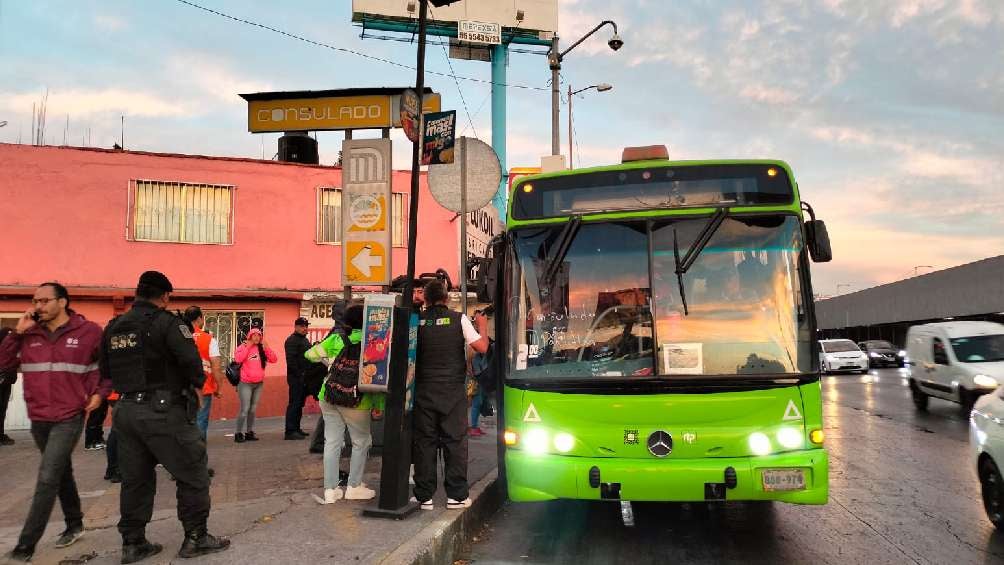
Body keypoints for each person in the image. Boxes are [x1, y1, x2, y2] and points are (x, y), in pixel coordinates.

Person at [101, 271, 229, 562]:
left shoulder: (115, 326)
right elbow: (191, 364)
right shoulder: (168, 323)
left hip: (125, 412)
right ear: (165, 296)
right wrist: (196, 387)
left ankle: (133, 543)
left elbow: (106, 371)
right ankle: (196, 537)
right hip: (163, 411)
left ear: (138, 293)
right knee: (193, 472)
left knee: (136, 479)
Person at [0, 282, 108, 562]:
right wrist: (17, 332)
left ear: (62, 302)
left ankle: (26, 545)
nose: (39, 306)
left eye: (45, 301)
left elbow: (108, 367)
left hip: (69, 416)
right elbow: (3, 363)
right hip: (39, 418)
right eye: (35, 301)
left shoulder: (89, 332)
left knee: (47, 477)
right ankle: (74, 524)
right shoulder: (29, 333)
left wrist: (99, 393)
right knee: (60, 471)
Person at [412, 280, 489, 510]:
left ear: (425, 299)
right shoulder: (459, 319)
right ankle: (456, 496)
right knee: (454, 442)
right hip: (452, 392)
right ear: (446, 298)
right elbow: (483, 347)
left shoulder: (417, 322)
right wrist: (482, 325)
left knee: (424, 443)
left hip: (423, 391)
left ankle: (423, 496)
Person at [304, 304, 381, 503]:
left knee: (332, 442)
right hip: (357, 400)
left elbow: (309, 354)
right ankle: (354, 486)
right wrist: (379, 405)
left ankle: (330, 490)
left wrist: (329, 362)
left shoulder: (337, 338)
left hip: (329, 395)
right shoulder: (372, 343)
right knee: (361, 442)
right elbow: (378, 376)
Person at [308, 299, 350, 454]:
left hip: (331, 377)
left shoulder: (336, 330)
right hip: (336, 378)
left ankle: (321, 442)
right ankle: (321, 442)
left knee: (329, 413)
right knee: (332, 414)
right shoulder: (341, 332)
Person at [182, 307, 223, 442]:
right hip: (203, 387)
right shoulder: (209, 339)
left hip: (180, 387)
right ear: (199, 318)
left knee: (181, 423)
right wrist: (219, 387)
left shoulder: (178, 336)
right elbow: (216, 367)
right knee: (200, 421)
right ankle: (197, 458)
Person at [233, 327, 277, 443]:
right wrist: (248, 346)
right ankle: (238, 433)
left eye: (259, 335)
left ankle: (249, 432)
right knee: (245, 409)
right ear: (250, 336)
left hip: (258, 384)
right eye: (254, 335)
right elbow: (238, 359)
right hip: (245, 383)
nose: (257, 337)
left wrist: (267, 347)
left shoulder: (262, 349)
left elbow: (274, 359)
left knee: (252, 410)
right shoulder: (243, 346)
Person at [284, 317, 312, 440]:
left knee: (299, 404)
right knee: (294, 403)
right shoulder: (291, 340)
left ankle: (296, 428)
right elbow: (291, 361)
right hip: (296, 378)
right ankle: (290, 431)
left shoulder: (304, 340)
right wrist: (299, 375)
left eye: (306, 326)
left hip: (305, 377)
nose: (305, 328)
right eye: (302, 326)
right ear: (296, 327)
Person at [0, 327, 16, 446]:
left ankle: (1, 434)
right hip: (2, 380)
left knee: (2, 410)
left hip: (7, 382)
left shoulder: (12, 351)